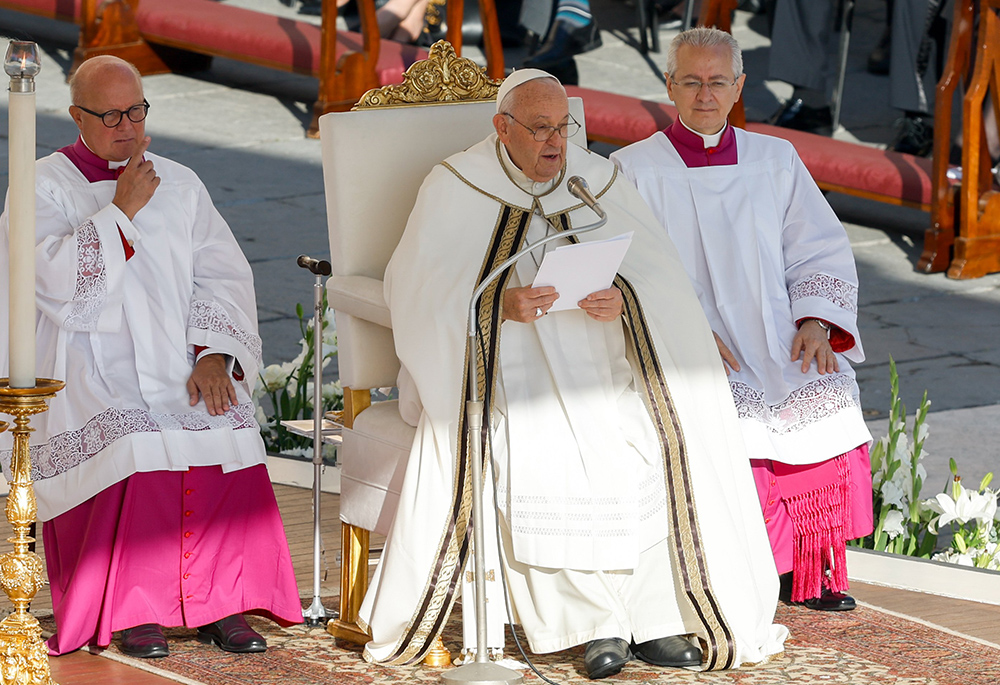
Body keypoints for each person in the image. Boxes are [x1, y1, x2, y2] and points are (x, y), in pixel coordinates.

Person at [360, 68, 787, 680]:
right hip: (509, 364)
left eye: (563, 127)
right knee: (549, 449)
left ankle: (656, 616)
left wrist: (626, 300)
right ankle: (592, 625)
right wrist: (497, 304)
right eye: (539, 129)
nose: (555, 143)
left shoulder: (598, 181)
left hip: (606, 357)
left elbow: (662, 279)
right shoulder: (455, 185)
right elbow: (416, 289)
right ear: (501, 128)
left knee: (650, 436)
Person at [0, 56, 303, 658]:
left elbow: (221, 276)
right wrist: (121, 211)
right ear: (76, 114)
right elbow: (54, 286)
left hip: (180, 357)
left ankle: (224, 603)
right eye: (110, 114)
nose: (127, 127)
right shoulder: (42, 184)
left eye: (136, 110)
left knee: (227, 426)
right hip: (88, 361)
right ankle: (133, 610)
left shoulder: (182, 181)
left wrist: (215, 354)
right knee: (134, 438)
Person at [612, 27, 874, 612]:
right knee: (727, 415)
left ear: (739, 86)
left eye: (718, 82)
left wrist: (814, 323)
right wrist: (683, 333)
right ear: (669, 85)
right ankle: (750, 566)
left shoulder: (775, 159)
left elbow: (819, 248)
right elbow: (627, 269)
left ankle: (809, 569)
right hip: (691, 339)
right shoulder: (633, 170)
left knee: (823, 390)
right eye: (692, 81)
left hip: (778, 331)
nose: (705, 94)